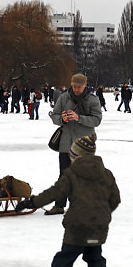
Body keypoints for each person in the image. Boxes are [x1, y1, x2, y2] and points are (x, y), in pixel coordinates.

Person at [15, 134, 120, 267]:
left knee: (65, 258)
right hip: (98, 227)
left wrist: (31, 202)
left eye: (72, 155)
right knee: (95, 257)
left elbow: (53, 194)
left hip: (78, 227)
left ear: (77, 156)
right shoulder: (106, 174)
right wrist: (101, 214)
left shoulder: (71, 174)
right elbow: (115, 199)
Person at [44, 73, 103, 215]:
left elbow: (97, 120)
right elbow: (55, 116)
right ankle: (59, 205)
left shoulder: (93, 100)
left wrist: (79, 118)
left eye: (79, 87)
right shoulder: (64, 97)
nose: (76, 89)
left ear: (85, 85)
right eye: (74, 86)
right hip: (65, 144)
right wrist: (62, 119)